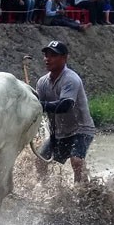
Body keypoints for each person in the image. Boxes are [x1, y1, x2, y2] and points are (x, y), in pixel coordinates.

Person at [35, 40, 95, 183]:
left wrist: (39, 105)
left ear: (64, 58)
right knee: (40, 160)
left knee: (76, 161)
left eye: (53, 55)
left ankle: (81, 193)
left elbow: (65, 105)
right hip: (59, 132)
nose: (47, 59)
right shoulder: (42, 82)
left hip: (81, 129)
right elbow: (36, 107)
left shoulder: (70, 79)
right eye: (46, 55)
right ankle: (45, 190)